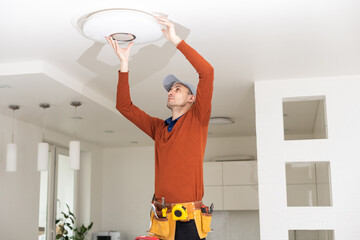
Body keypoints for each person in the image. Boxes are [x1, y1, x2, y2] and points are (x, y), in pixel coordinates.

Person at [106, 16, 214, 240]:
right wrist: (124, 65)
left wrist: (175, 40)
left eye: (178, 89)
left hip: (188, 222)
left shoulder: (198, 119)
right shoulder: (159, 128)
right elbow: (123, 106)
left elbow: (207, 72)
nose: (171, 91)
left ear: (192, 98)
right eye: (170, 89)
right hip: (162, 218)